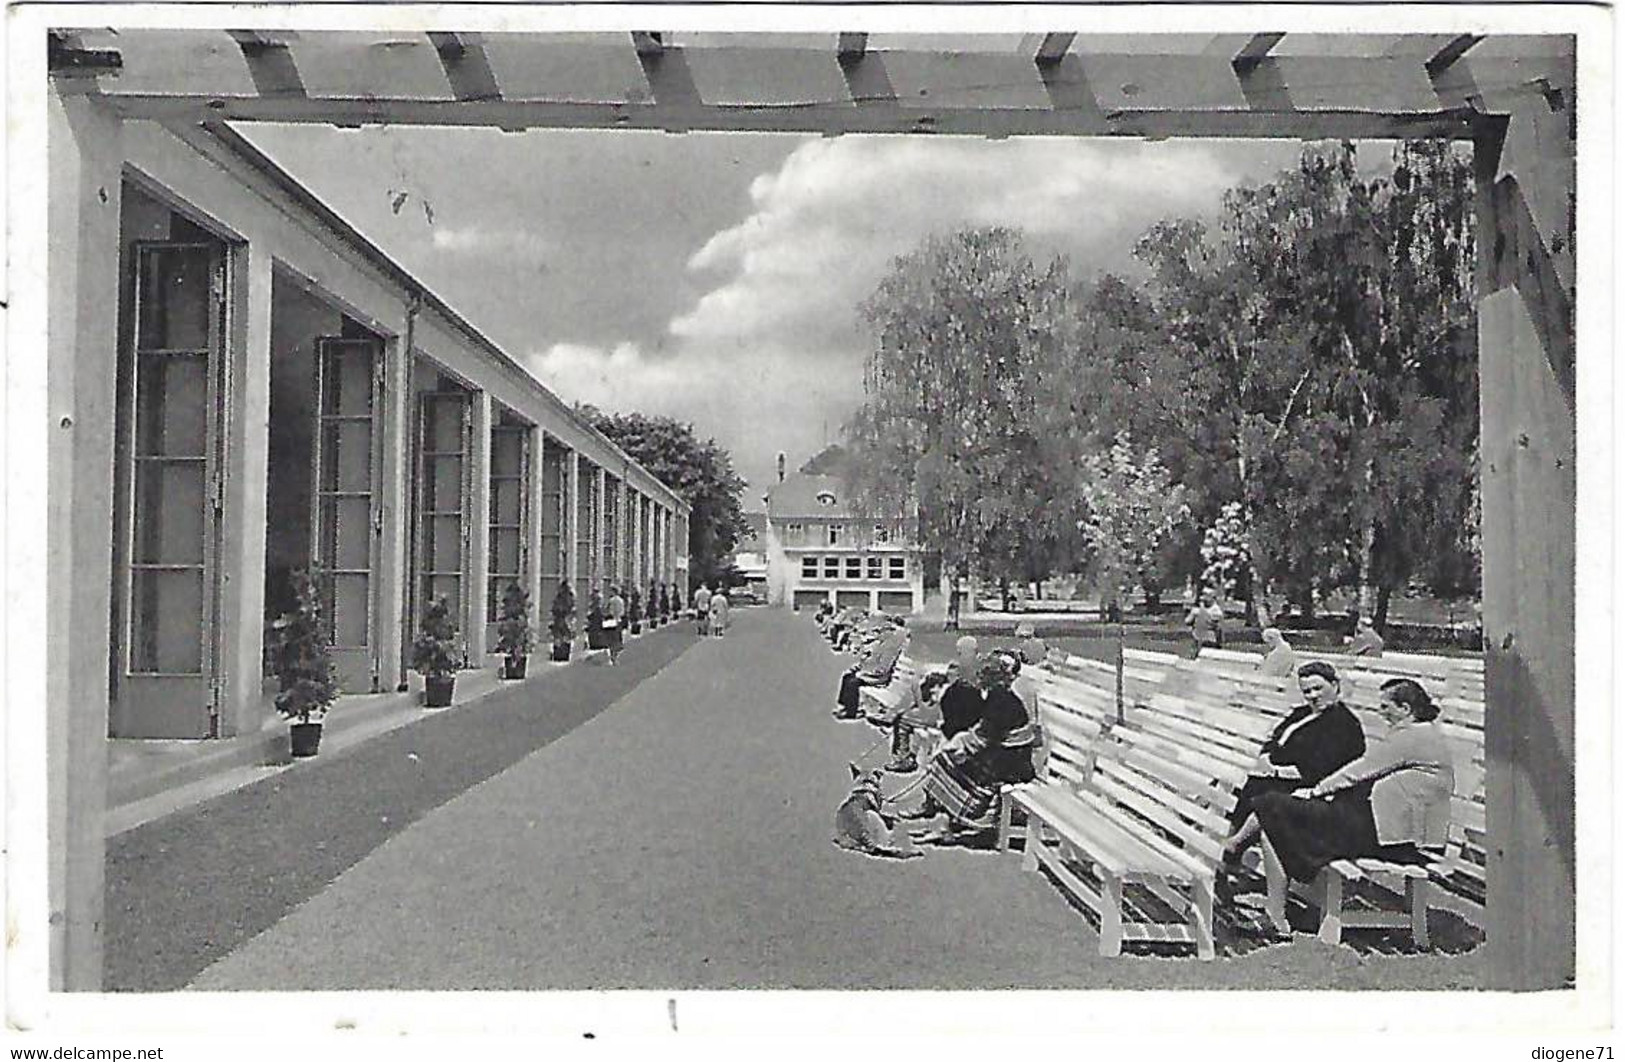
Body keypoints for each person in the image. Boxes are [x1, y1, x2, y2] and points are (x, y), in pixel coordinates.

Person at [1253, 678, 1455, 884]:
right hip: (1389, 829)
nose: (1380, 712)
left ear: (1405, 708)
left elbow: (1359, 771)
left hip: (1399, 841)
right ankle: (1278, 902)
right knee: (1274, 810)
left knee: (1272, 806)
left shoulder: (1413, 737)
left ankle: (1286, 890)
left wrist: (1315, 791)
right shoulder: (1420, 732)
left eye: (1386, 706)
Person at [1219, 660, 1366, 876]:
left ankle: (1231, 849)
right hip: (1281, 775)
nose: (1313, 696)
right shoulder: (1301, 713)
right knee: (1242, 781)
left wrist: (1276, 771)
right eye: (1307, 691)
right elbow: (1274, 739)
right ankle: (1225, 848)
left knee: (1259, 786)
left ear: (1335, 686)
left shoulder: (1343, 724)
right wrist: (1267, 758)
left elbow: (1320, 768)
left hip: (1317, 789)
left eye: (1318, 688)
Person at [914, 651, 1040, 845]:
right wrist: (961, 741)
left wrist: (959, 745)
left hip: (1012, 763)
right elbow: (982, 732)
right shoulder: (999, 695)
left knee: (947, 762)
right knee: (948, 759)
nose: (977, 679)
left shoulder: (1000, 700)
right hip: (1005, 755)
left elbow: (984, 738)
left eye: (981, 675)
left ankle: (953, 822)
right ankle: (945, 823)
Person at [834, 617, 907, 719]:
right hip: (872, 673)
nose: (877, 634)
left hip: (879, 676)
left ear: (888, 633)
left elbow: (883, 669)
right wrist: (862, 667)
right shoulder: (881, 644)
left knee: (853, 682)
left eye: (879, 631)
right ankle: (845, 706)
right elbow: (872, 660)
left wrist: (864, 673)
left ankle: (851, 712)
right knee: (847, 676)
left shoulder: (889, 649)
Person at [1186, 590, 1225, 659]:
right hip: (1198, 638)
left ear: (1213, 597)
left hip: (1209, 639)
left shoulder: (1216, 611)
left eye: (1206, 595)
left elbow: (1218, 627)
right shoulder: (1197, 610)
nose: (1203, 598)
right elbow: (1187, 621)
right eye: (1203, 595)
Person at [604, 586, 626, 666]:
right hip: (619, 620)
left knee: (611, 639)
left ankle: (613, 657)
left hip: (612, 621)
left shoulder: (612, 600)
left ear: (613, 592)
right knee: (617, 639)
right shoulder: (621, 600)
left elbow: (610, 612)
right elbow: (623, 612)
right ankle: (615, 657)